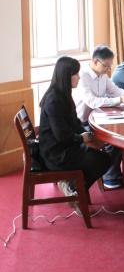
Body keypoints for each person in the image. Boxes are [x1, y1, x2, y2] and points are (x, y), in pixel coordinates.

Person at [38, 57, 113, 196]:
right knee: (103, 160)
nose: (79, 77)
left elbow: (75, 122)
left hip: (65, 146)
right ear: (66, 76)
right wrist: (81, 138)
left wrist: (87, 135)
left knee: (102, 155)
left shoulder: (63, 94)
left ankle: (73, 185)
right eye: (76, 74)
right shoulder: (54, 100)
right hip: (56, 153)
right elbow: (61, 135)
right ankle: (75, 189)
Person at [73, 46, 124, 189]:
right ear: (95, 61)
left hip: (99, 118)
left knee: (121, 133)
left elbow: (115, 91)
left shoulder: (103, 75)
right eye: (106, 66)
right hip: (82, 124)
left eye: (110, 66)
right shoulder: (83, 77)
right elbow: (92, 101)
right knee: (113, 140)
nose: (108, 69)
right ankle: (109, 176)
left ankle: (114, 173)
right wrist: (119, 100)